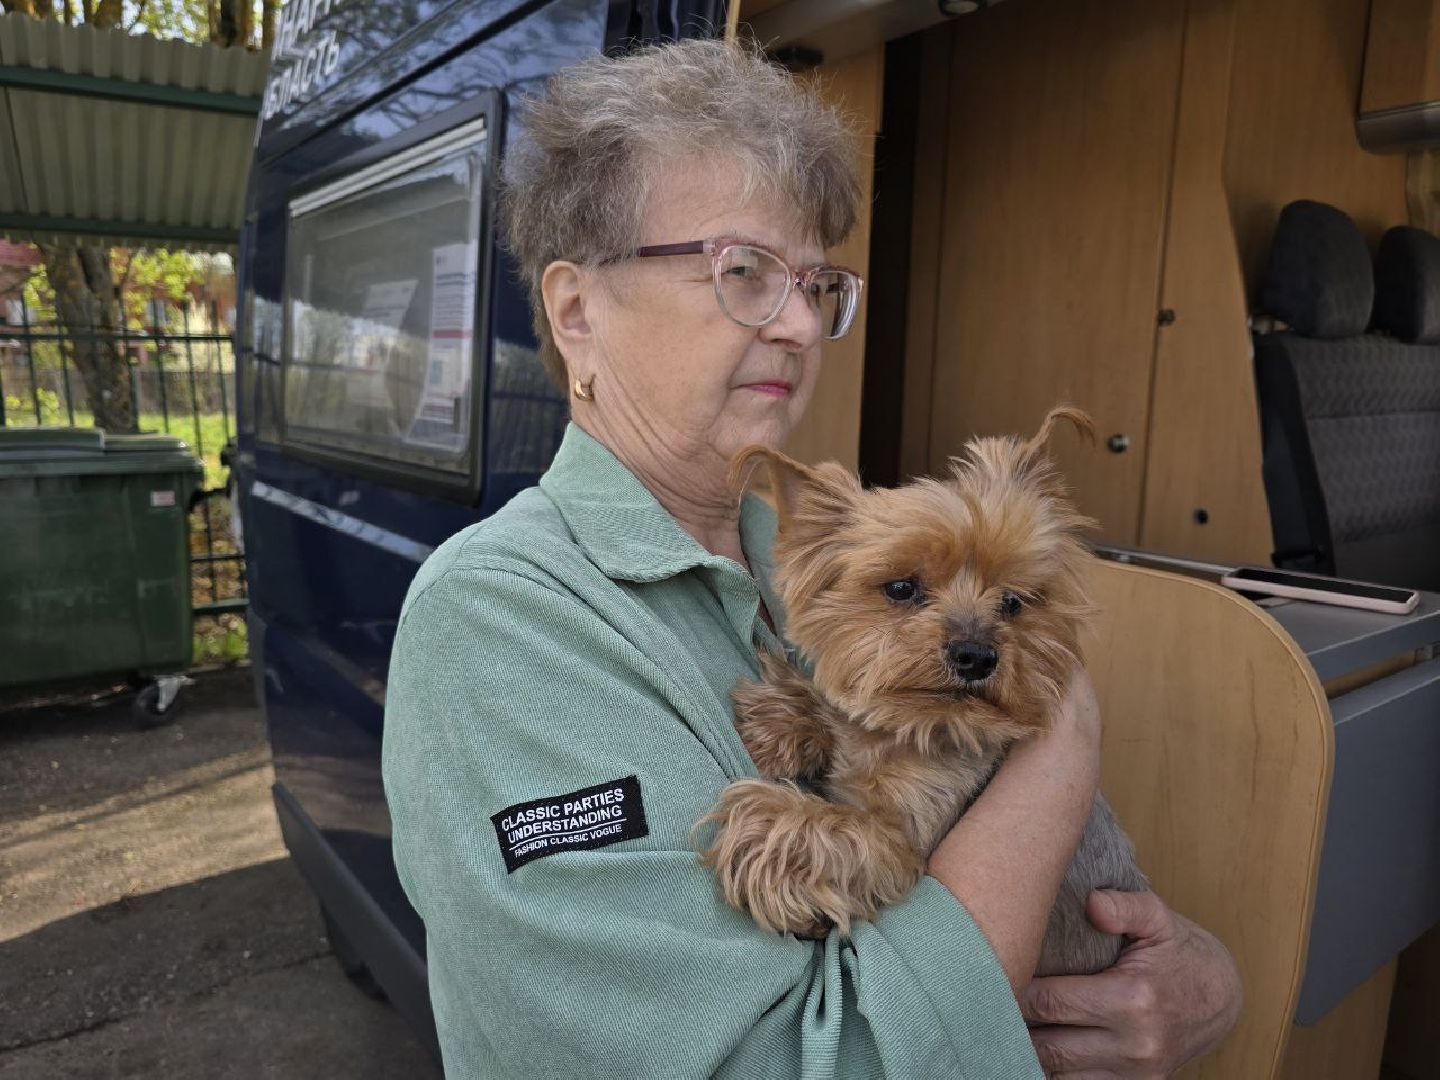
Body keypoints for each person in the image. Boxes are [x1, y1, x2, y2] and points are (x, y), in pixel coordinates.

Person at [381, 38, 1241, 1079]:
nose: (799, 323)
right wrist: (1062, 753)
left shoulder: (797, 560)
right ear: (576, 311)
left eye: (819, 284)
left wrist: (1204, 984)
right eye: (743, 271)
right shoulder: (498, 620)